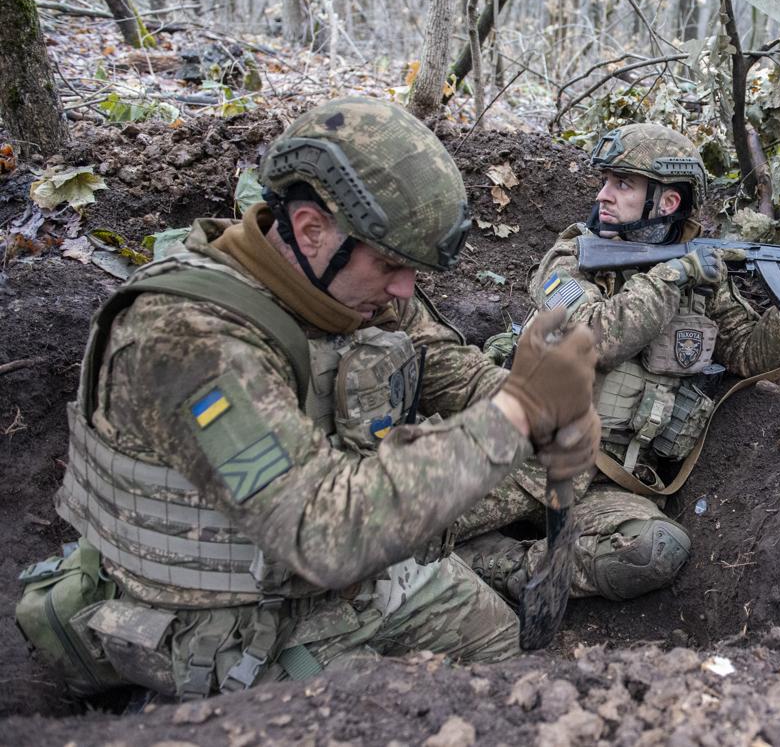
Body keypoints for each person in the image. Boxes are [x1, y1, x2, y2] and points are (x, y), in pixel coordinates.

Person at [22, 97, 599, 701]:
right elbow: (323, 530)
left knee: (499, 653)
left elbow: (437, 363)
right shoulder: (186, 339)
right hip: (222, 622)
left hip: (342, 582)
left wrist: (528, 399)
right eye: (391, 266)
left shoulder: (344, 282)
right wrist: (515, 416)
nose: (405, 288)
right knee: (391, 712)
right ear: (310, 229)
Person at [456, 123, 780, 602]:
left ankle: (489, 563)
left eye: (622, 184)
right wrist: (669, 279)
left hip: (608, 481)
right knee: (413, 519)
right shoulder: (572, 255)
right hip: (526, 453)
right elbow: (593, 336)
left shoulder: (702, 279)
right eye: (606, 181)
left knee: (654, 549)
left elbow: (752, 353)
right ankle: (454, 554)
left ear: (667, 202)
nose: (603, 195)